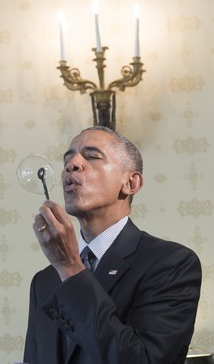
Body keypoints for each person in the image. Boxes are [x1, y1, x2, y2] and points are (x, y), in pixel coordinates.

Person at [23, 126, 201, 364]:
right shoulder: (44, 281)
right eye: (67, 160)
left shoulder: (172, 264)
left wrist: (70, 268)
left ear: (130, 183)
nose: (71, 165)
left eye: (92, 156)